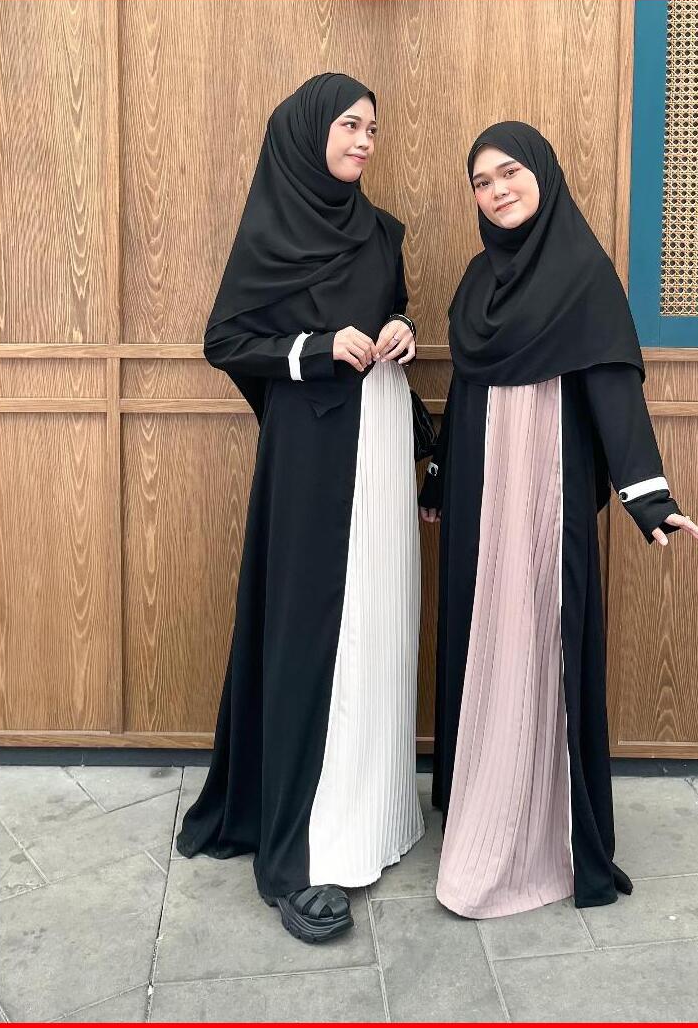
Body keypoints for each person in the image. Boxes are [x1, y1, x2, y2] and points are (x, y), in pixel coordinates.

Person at [419, 121, 698, 919]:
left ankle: (541, 830)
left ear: (542, 174)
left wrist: (650, 499)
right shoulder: (476, 279)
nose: (497, 190)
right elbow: (466, 386)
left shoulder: (583, 273)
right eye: (481, 182)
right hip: (483, 488)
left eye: (510, 172)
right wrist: (439, 474)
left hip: (545, 486)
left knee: (542, 638)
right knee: (482, 633)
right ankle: (483, 806)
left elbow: (613, 388)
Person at [177, 73, 424, 944]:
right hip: (312, 454)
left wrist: (401, 331)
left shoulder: (384, 231)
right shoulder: (271, 232)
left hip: (381, 436)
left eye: (372, 128)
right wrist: (314, 349)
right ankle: (303, 851)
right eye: (350, 125)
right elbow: (225, 341)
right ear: (309, 132)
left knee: (374, 621)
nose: (364, 140)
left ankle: (371, 813)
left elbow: (393, 309)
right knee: (316, 631)